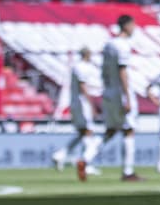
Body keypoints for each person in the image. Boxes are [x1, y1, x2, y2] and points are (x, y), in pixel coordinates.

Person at [99, 14, 141, 182]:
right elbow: (122, 71)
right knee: (128, 130)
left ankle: (86, 158)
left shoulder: (108, 44)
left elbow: (103, 71)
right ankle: (128, 171)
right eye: (133, 25)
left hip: (108, 90)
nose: (134, 28)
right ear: (127, 26)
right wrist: (127, 97)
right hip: (120, 92)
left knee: (111, 130)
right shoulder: (123, 46)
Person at [52, 47, 101, 177]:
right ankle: (86, 162)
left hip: (75, 103)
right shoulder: (82, 67)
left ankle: (60, 155)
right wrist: (92, 105)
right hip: (82, 104)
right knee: (89, 132)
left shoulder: (77, 67)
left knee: (81, 133)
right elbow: (83, 87)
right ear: (87, 54)